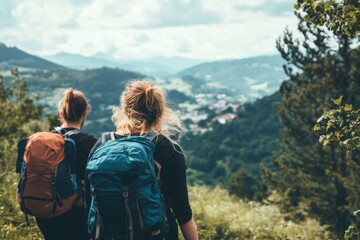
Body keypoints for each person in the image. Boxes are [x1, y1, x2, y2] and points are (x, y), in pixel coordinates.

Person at [88, 80, 198, 240]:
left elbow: (89, 201)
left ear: (125, 110)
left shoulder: (102, 145)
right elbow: (182, 212)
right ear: (160, 112)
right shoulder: (170, 150)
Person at [35, 88, 97, 240]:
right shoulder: (91, 144)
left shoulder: (46, 142)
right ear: (84, 114)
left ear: (61, 114)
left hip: (46, 211)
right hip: (77, 214)